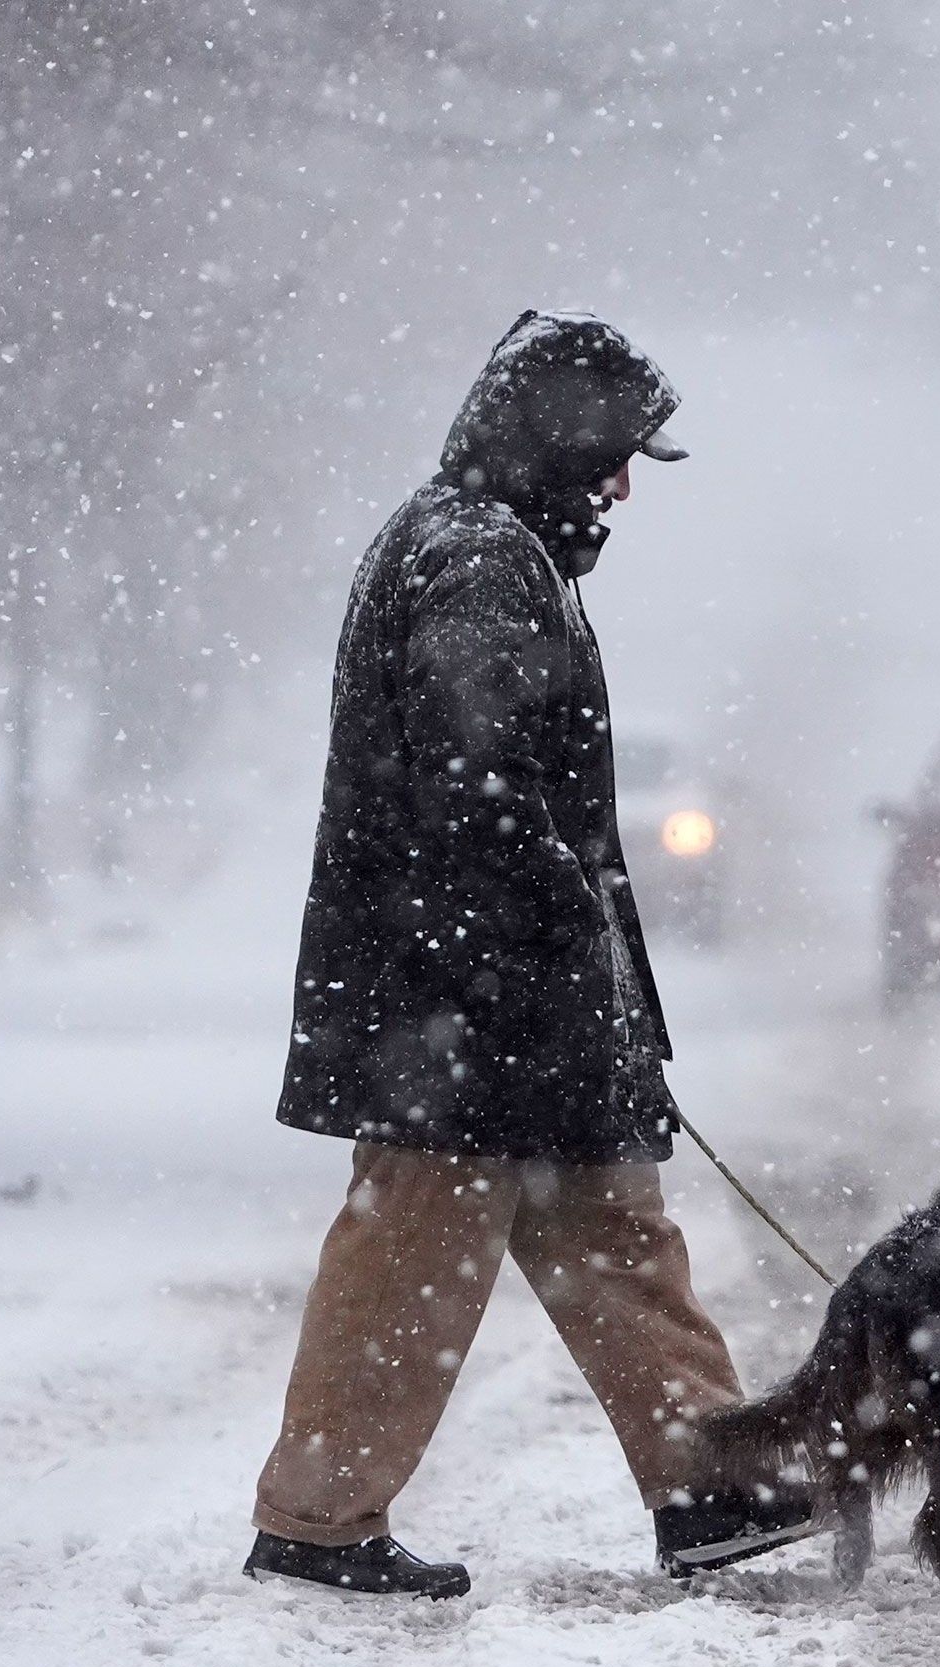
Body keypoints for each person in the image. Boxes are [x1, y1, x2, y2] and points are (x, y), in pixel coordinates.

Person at [244, 310, 816, 1599]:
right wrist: (559, 957)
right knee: (413, 1259)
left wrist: (597, 996)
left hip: (505, 999)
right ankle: (318, 1525)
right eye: (612, 456)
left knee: (615, 1234)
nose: (622, 487)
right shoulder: (475, 563)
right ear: (551, 443)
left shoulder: (494, 553)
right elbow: (478, 789)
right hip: (460, 1004)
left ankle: (709, 1487)